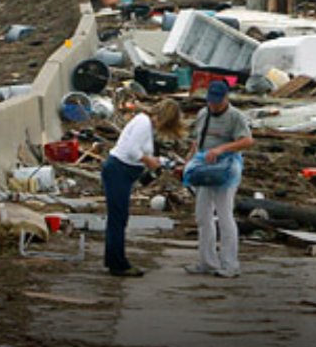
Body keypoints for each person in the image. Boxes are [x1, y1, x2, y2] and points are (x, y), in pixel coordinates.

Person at [101, 99, 184, 277]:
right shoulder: (143, 123)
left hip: (122, 172)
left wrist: (155, 160)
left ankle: (114, 260)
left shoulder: (144, 123)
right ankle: (118, 264)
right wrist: (149, 161)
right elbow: (132, 150)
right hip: (119, 171)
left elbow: (138, 150)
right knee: (118, 218)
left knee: (119, 217)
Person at [185, 80, 254, 278]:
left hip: (226, 169)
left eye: (217, 101)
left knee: (224, 215)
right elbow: (197, 139)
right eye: (211, 101)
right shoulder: (203, 114)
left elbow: (247, 140)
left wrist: (222, 149)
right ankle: (207, 262)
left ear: (226, 98)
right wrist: (191, 157)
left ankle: (230, 264)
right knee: (203, 215)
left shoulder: (235, 116)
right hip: (204, 167)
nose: (214, 105)